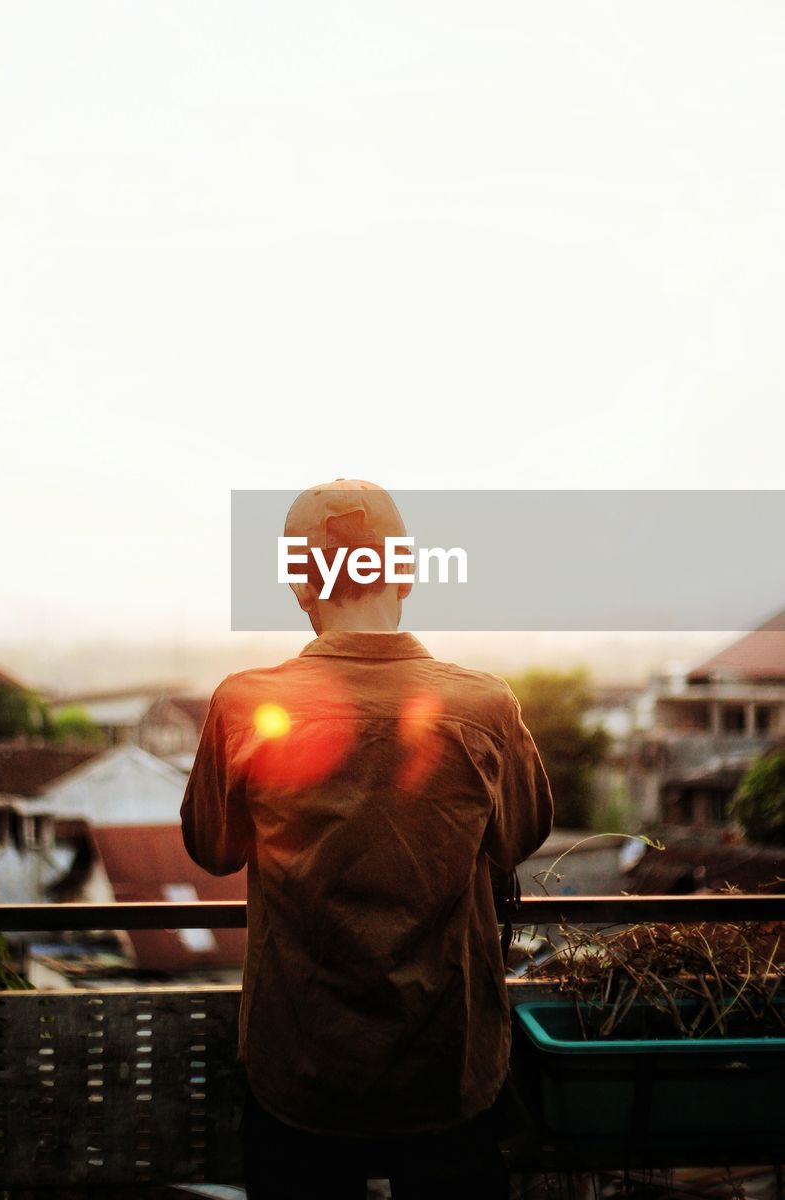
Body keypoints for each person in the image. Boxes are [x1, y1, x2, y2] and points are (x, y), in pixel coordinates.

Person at [181, 479, 554, 1199]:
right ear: (405, 570)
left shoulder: (243, 704)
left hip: (301, 1069)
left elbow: (214, 847)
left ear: (298, 582)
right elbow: (518, 836)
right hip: (448, 1070)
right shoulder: (485, 704)